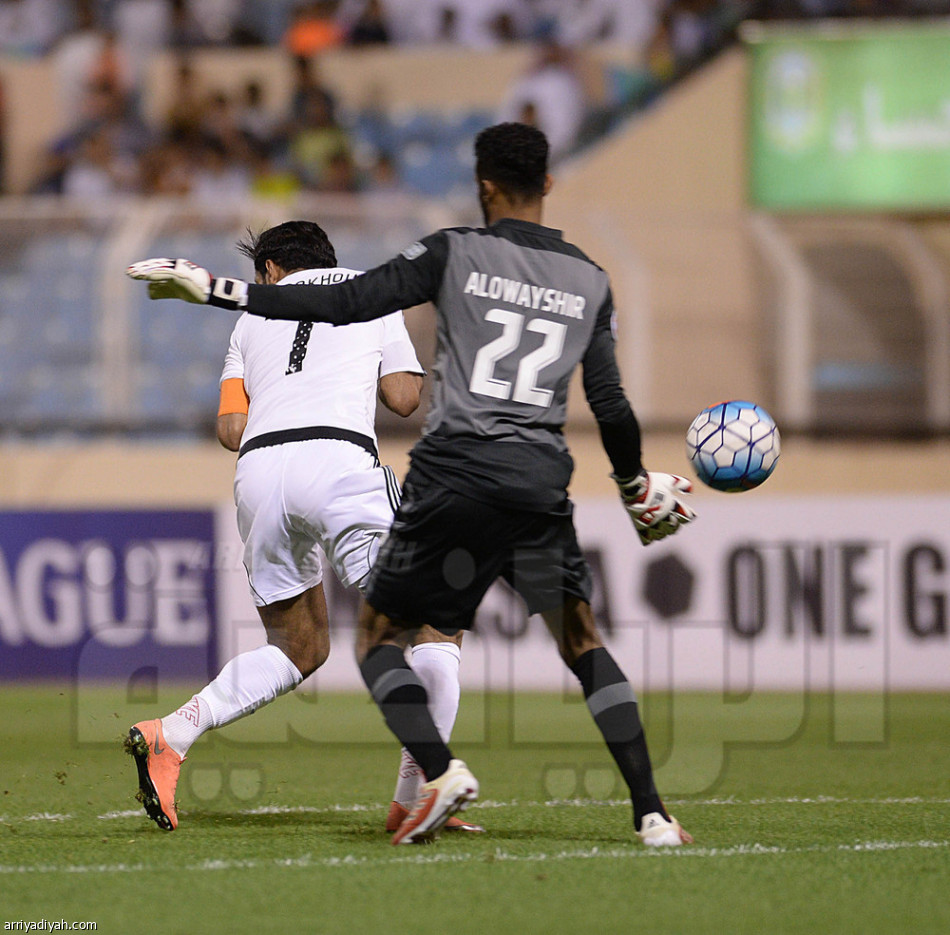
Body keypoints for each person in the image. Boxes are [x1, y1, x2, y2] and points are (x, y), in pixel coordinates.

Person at [127, 122, 697, 847]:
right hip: (467, 474)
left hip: (304, 472)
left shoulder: (432, 259)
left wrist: (217, 290)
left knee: (322, 645)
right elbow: (419, 399)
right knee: (498, 633)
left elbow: (236, 422)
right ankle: (492, 794)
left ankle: (178, 733)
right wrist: (633, 483)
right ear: (548, 184)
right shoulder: (586, 277)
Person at [124, 220, 483, 836]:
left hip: (260, 472)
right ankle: (420, 792)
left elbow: (230, 432)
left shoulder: (246, 321)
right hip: (341, 465)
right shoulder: (374, 292)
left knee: (298, 647)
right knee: (435, 623)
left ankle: (173, 732)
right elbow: (402, 398)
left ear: (269, 272)